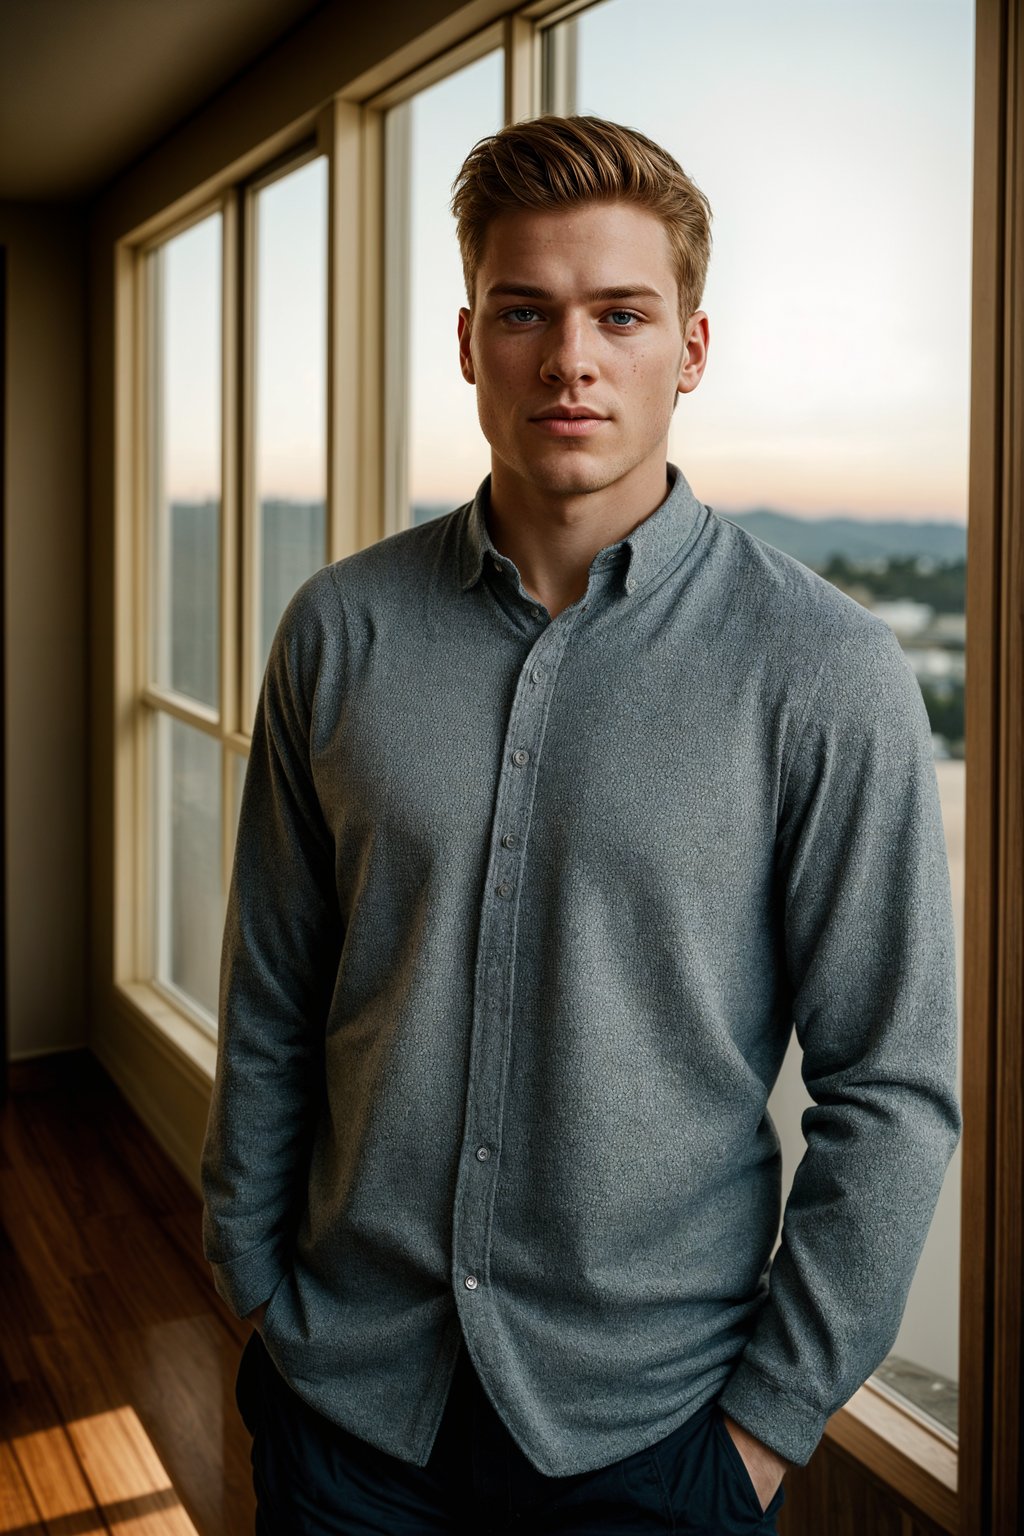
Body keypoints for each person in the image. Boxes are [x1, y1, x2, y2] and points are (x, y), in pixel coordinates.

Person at [200, 115, 961, 1535]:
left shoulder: (822, 672)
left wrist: (764, 1428)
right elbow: (274, 987)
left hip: (657, 1441)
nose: (572, 360)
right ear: (469, 338)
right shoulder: (337, 633)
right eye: (525, 312)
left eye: (622, 314)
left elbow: (892, 1089)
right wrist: (250, 1271)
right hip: (346, 1405)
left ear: (693, 347)